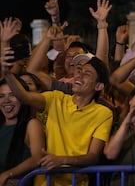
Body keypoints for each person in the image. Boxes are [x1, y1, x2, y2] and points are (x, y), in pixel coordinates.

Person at [1, 48, 113, 186]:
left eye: (87, 74)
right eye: (79, 71)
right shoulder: (55, 98)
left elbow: (93, 156)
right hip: (43, 182)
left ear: (99, 86)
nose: (79, 76)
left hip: (75, 183)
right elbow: (24, 97)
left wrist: (62, 160)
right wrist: (7, 73)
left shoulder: (103, 113)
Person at [0, 77, 45, 186]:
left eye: (12, 94)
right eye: (1, 96)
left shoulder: (32, 124)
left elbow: (37, 158)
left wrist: (7, 174)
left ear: (23, 98)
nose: (6, 100)